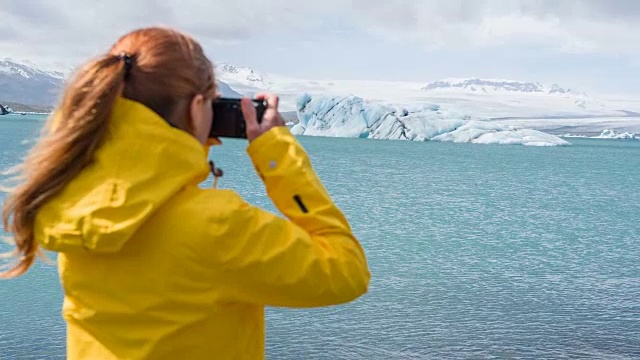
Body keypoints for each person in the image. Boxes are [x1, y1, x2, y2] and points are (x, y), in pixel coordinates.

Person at [1, 27, 370, 359]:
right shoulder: (216, 225)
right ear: (198, 107)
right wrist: (278, 157)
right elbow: (346, 272)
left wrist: (191, 142)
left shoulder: (65, 201)